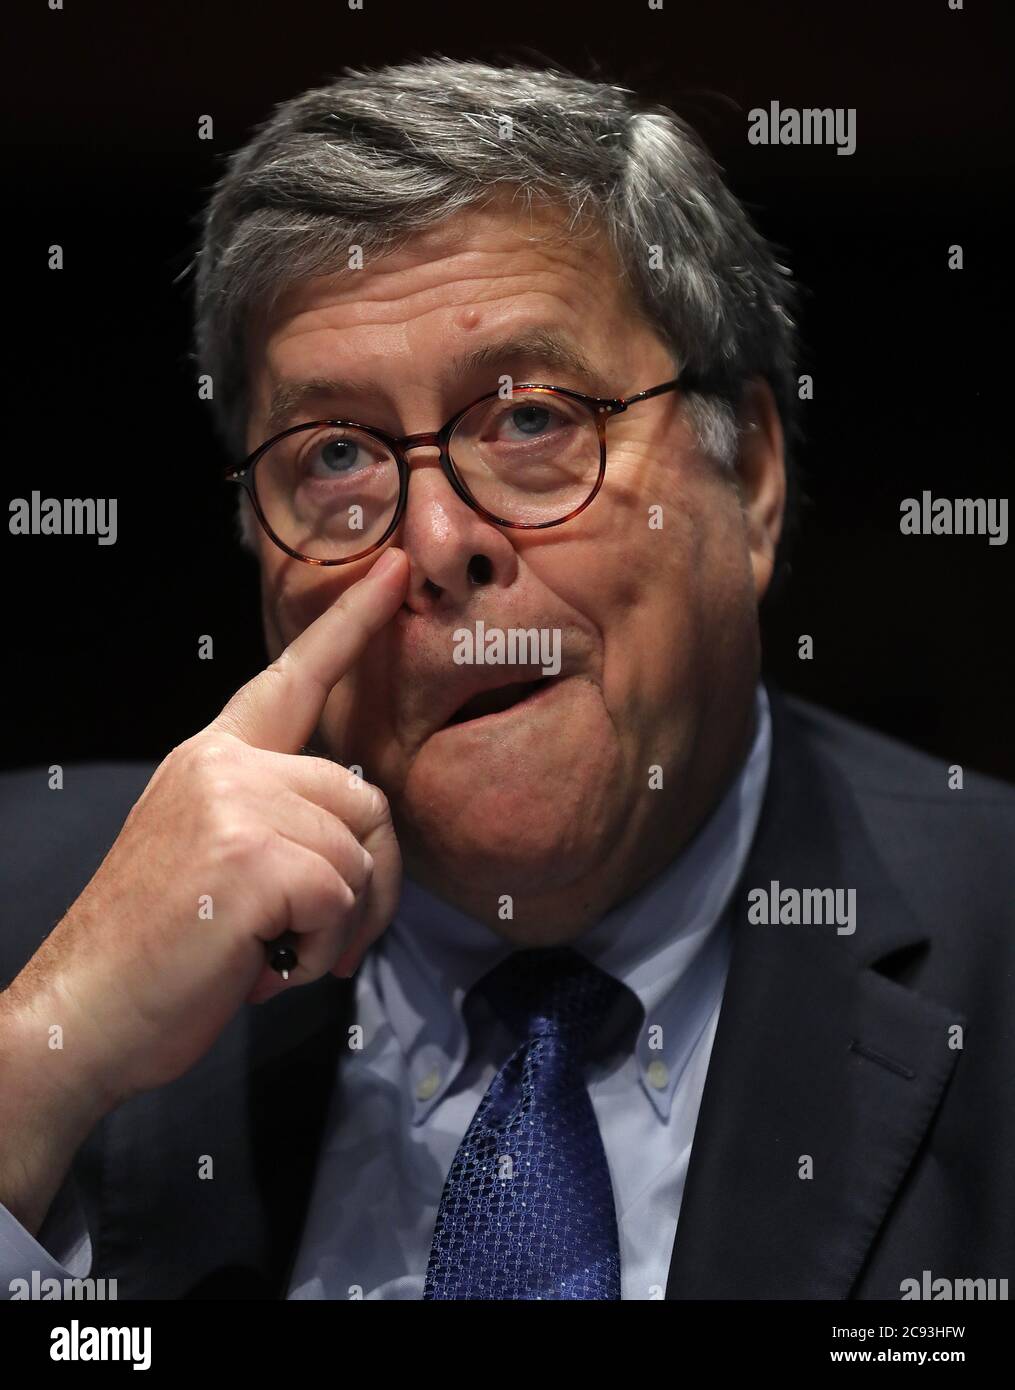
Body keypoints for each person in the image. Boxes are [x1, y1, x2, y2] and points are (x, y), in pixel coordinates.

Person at [1, 57, 1012, 1301]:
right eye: (335, 456)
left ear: (747, 473)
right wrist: (36, 1073)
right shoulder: (28, 907)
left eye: (530, 419)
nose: (432, 544)